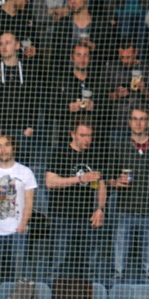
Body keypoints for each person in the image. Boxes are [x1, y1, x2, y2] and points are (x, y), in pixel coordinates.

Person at [109, 106, 149, 283]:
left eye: (142, 119)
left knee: (148, 264)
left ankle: (148, 294)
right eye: (135, 119)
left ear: (148, 122)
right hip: (124, 210)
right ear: (129, 122)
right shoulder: (119, 147)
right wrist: (116, 182)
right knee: (119, 264)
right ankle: (116, 290)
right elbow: (108, 179)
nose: (138, 123)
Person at [46, 117, 107, 283]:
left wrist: (100, 208)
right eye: (82, 135)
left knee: (89, 266)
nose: (87, 140)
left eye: (89, 136)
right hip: (62, 217)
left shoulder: (95, 155)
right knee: (58, 265)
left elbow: (101, 185)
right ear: (72, 134)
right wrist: (79, 179)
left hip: (87, 219)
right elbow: (50, 182)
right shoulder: (60, 153)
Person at [0, 134, 37, 286]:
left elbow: (29, 202)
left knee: (17, 278)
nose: (3, 149)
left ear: (13, 148)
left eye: (7, 145)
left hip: (17, 231)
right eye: (0, 146)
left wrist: (22, 226)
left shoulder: (26, 172)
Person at [0, 31, 38, 156]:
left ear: (17, 46)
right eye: (1, 44)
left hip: (21, 130)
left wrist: (31, 125)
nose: (4, 47)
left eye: (8, 43)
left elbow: (34, 99)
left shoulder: (29, 70)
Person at [104, 38, 149, 135]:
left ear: (136, 52)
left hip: (141, 126)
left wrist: (144, 91)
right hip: (117, 124)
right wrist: (116, 95)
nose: (125, 60)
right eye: (122, 57)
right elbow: (103, 97)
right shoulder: (111, 69)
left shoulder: (147, 69)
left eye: (129, 57)